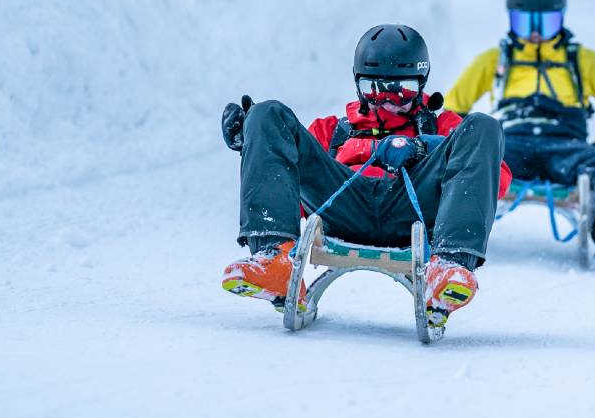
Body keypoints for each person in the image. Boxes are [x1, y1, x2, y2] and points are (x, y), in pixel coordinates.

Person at [219, 24, 511, 329]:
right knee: (268, 114)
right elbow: (289, 182)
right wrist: (255, 142)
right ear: (359, 85)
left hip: (411, 209)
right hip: (344, 205)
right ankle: (273, 260)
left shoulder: (444, 127)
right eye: (375, 89)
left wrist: (423, 147)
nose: (387, 100)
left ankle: (451, 266)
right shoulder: (332, 130)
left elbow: (497, 178)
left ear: (421, 84)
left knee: (483, 125)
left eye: (403, 91)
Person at [445, 0, 595, 262]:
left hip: (564, 143)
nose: (535, 33)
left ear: (561, 18)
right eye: (525, 23)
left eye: (545, 24)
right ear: (511, 20)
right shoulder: (495, 60)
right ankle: (452, 231)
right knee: (476, 164)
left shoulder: (581, 61)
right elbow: (453, 110)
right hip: (512, 142)